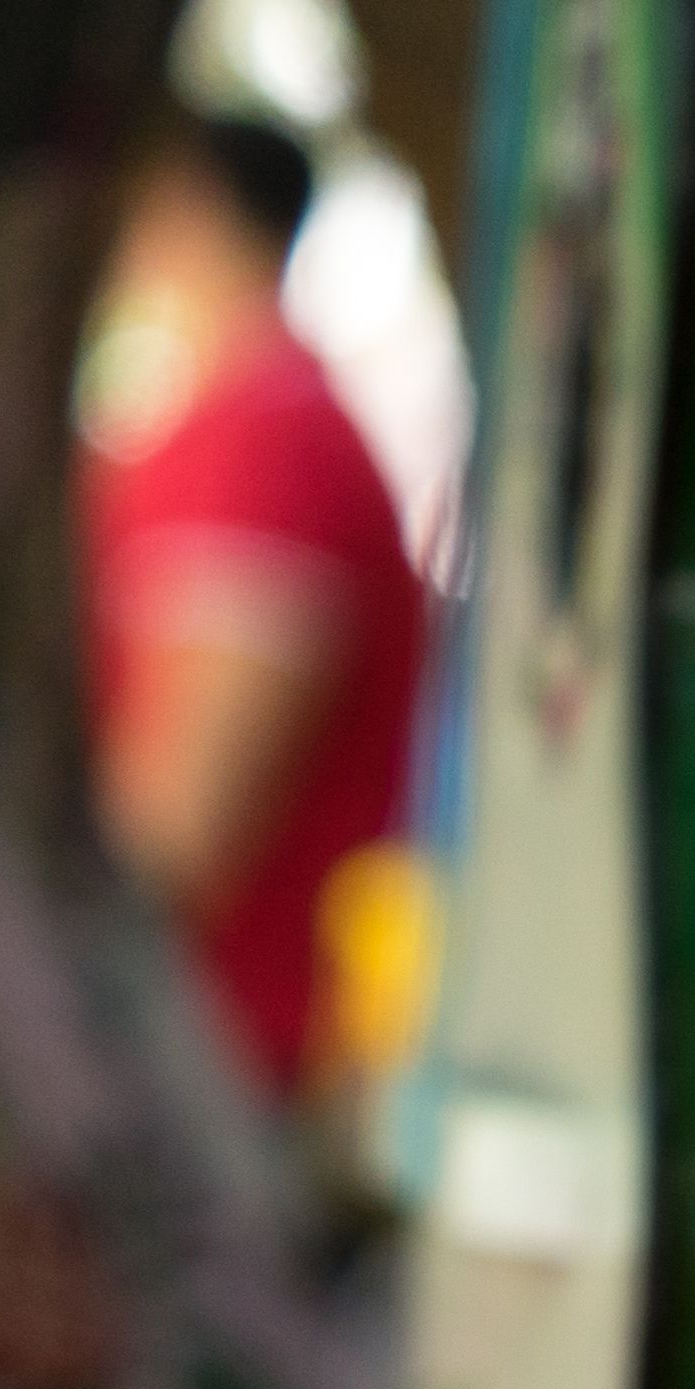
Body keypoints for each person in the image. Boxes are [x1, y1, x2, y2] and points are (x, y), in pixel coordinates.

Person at [73, 109, 430, 1133]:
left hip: (208, 1084)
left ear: (179, 201)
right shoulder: (252, 418)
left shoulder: (258, 436)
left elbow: (178, 824)